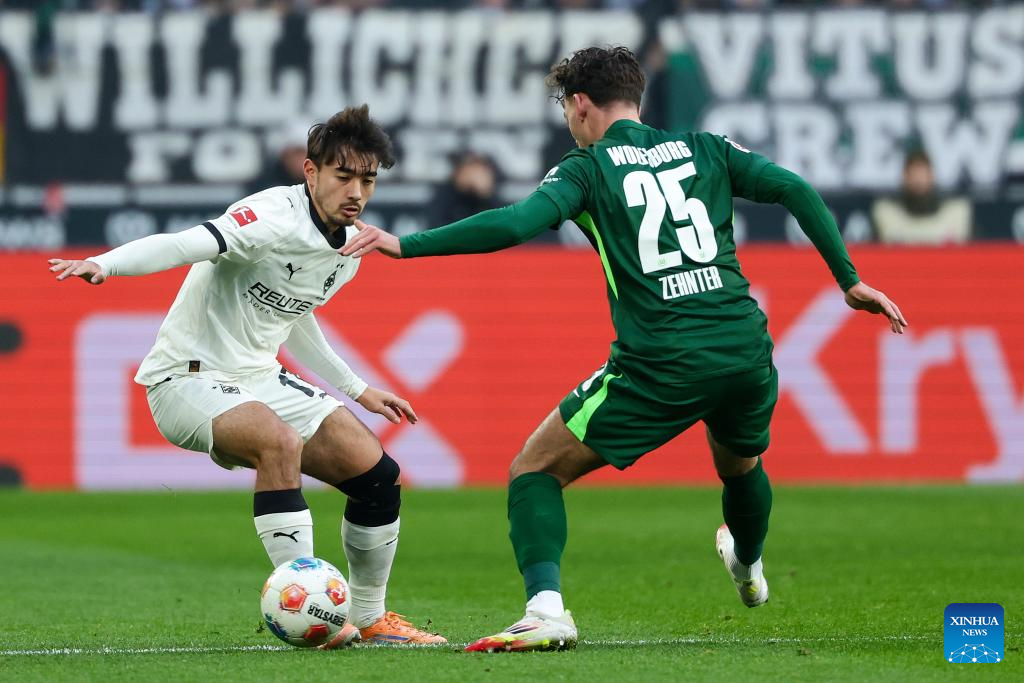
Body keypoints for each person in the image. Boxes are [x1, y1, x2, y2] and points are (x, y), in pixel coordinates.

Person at [342, 47, 907, 652]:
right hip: (744, 347)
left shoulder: (586, 169)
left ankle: (545, 610)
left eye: (566, 109)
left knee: (534, 470)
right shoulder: (706, 148)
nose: (568, 122)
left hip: (662, 360)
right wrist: (849, 280)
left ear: (581, 104)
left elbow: (514, 223)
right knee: (740, 466)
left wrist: (407, 245)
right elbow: (793, 187)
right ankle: (747, 562)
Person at [47, 105, 446, 647]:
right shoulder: (269, 216)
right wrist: (107, 263)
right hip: (186, 378)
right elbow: (183, 244)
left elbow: (294, 316)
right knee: (279, 443)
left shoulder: (351, 248)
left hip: (260, 377)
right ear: (311, 172)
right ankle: (309, 610)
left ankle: (371, 617)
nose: (356, 192)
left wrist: (357, 388)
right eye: (343, 176)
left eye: (368, 180)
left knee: (378, 476)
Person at [872, 149, 972, 245]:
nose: (918, 181)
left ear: (932, 176)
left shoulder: (956, 214)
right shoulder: (887, 215)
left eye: (923, 175)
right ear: (904, 177)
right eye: (914, 175)